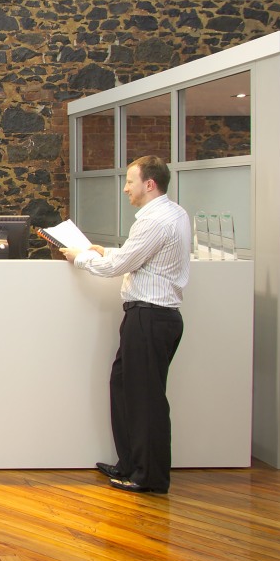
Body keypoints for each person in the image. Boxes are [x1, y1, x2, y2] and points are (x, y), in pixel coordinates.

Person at [60, 156, 191, 495]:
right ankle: (129, 463)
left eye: (130, 181)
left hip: (150, 316)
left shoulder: (155, 220)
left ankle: (149, 477)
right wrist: (110, 251)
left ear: (149, 184)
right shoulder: (173, 214)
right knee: (124, 387)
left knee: (145, 399)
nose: (125, 188)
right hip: (152, 317)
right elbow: (138, 257)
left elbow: (117, 267)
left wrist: (82, 257)